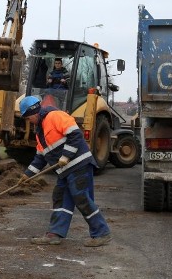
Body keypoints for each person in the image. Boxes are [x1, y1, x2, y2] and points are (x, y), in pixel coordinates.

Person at [18, 95, 112, 247]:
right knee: (60, 198)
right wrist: (27, 175)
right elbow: (40, 158)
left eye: (28, 118)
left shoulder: (55, 116)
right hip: (65, 170)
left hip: (79, 164)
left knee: (81, 198)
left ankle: (102, 233)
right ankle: (55, 234)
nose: (28, 121)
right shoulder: (39, 132)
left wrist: (66, 156)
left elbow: (75, 135)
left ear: (33, 112)